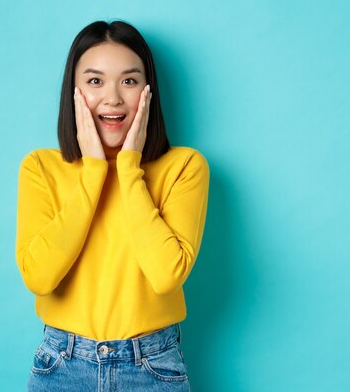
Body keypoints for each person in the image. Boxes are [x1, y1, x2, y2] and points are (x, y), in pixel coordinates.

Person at [15, 20, 209, 391]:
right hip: (62, 364)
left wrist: (129, 167)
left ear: (148, 91)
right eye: (94, 81)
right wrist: (93, 172)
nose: (113, 98)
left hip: (153, 366)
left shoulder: (184, 167)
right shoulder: (40, 168)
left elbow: (166, 275)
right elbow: (39, 277)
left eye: (129, 81)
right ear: (74, 92)